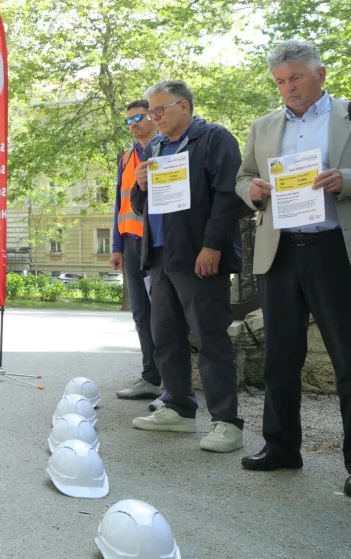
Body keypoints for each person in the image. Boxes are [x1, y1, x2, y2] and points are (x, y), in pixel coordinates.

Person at [234, 40, 351, 497]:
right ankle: (281, 447)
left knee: (347, 360)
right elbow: (242, 177)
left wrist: (346, 180)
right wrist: (254, 191)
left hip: (333, 251)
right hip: (279, 252)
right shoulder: (263, 126)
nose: (288, 88)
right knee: (280, 359)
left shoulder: (347, 115)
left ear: (321, 74)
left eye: (296, 78)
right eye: (280, 82)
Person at [129, 80, 247, 453]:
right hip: (161, 256)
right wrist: (141, 185)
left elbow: (230, 196)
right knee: (165, 335)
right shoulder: (157, 147)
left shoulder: (214, 139)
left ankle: (226, 422)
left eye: (159, 110)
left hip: (199, 257)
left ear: (184, 106)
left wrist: (212, 246)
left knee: (211, 336)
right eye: (151, 112)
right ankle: (179, 407)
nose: (154, 118)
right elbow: (139, 207)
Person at [111, 100, 165, 403]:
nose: (133, 123)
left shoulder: (166, 150)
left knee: (165, 316)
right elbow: (119, 203)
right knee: (142, 315)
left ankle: (172, 385)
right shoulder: (126, 157)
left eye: (140, 117)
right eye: (129, 119)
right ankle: (150, 378)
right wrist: (117, 246)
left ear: (155, 118)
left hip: (158, 244)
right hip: (132, 244)